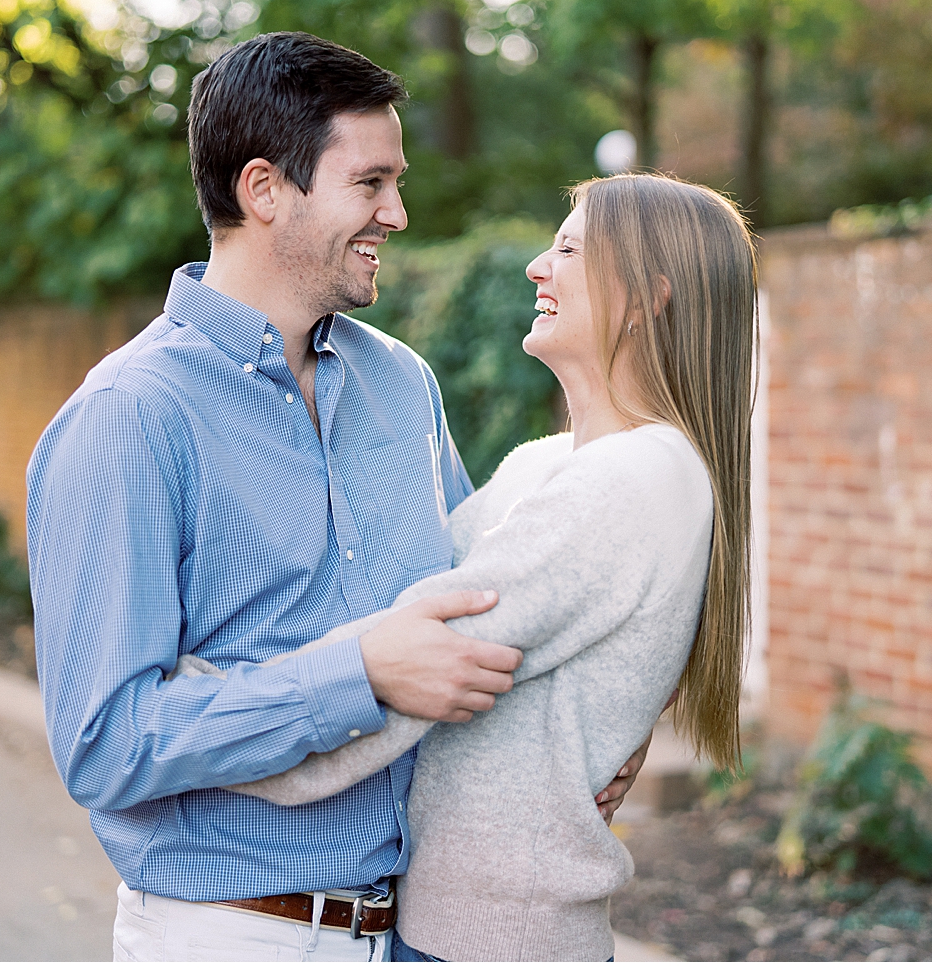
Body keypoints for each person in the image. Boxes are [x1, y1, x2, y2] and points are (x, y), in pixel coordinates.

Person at [25, 31, 649, 964]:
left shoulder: (401, 384)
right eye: (371, 183)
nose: (397, 212)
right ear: (265, 189)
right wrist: (357, 674)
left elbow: (475, 615)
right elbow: (107, 741)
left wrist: (581, 742)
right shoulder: (129, 416)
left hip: (415, 934)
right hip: (232, 939)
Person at [176, 172, 758, 962]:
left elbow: (405, 671)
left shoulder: (634, 480)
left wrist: (200, 719)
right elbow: (396, 613)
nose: (537, 266)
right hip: (441, 924)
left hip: (498, 940)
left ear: (645, 297)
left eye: (569, 247)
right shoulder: (542, 465)